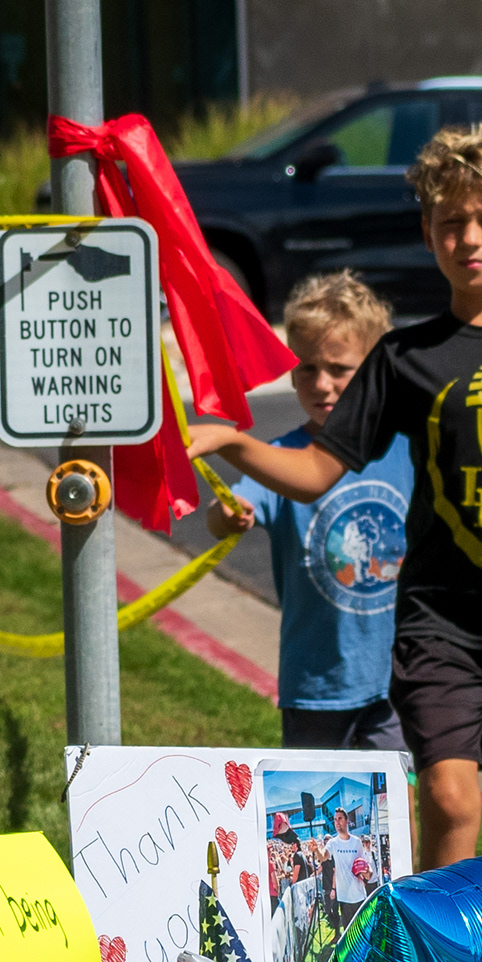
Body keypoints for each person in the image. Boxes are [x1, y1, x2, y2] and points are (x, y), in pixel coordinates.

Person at [187, 125, 482, 873]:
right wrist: (234, 443)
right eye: (450, 223)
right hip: (436, 624)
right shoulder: (404, 358)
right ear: (428, 232)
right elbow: (316, 470)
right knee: (447, 798)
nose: (468, 238)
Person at [208, 272, 413, 752]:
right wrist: (228, 513)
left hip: (399, 679)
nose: (322, 384)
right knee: (318, 816)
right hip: (316, 684)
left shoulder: (406, 447)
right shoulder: (280, 457)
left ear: (374, 367)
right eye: (306, 369)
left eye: (339, 368)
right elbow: (225, 517)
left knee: (393, 815)